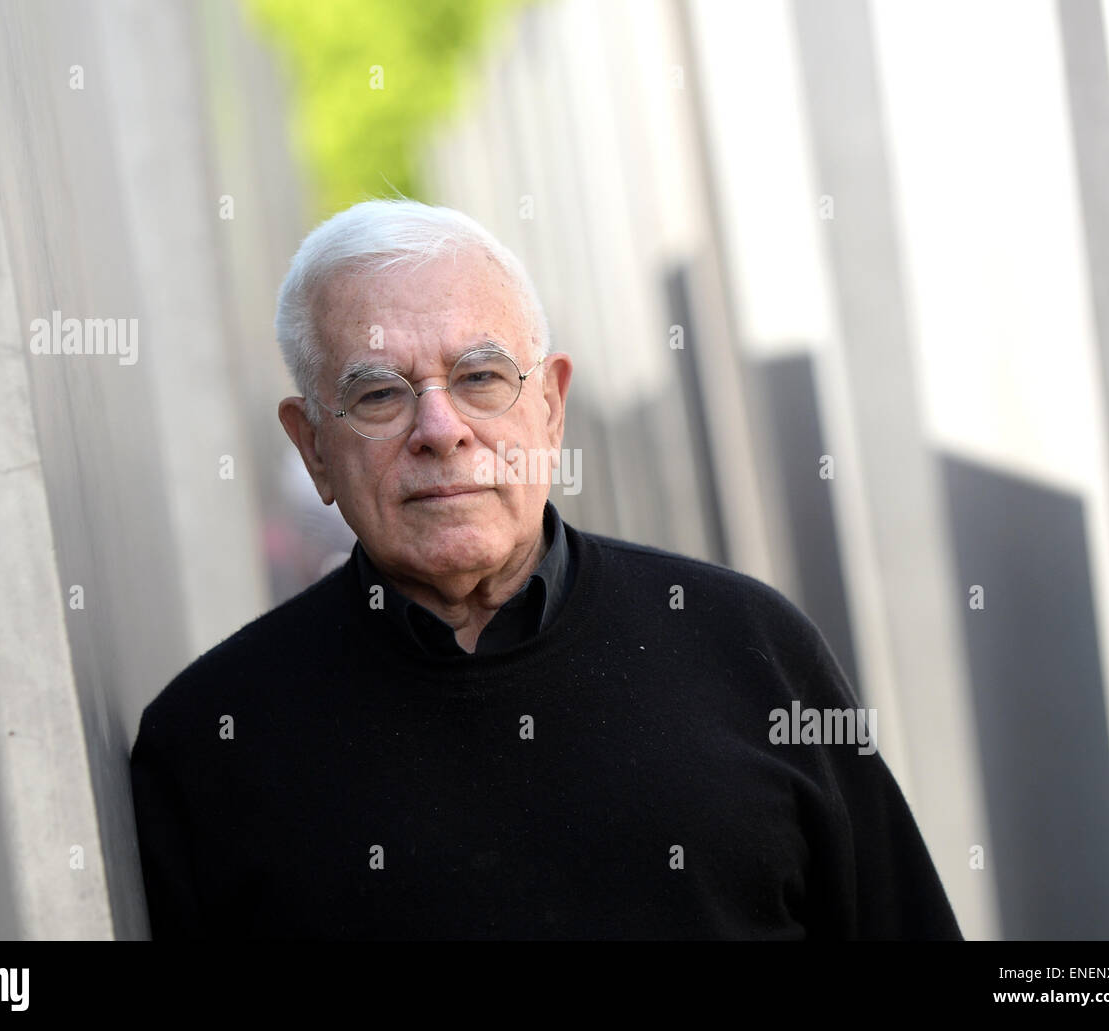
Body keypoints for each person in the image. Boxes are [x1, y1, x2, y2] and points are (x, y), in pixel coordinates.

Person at [130, 198, 963, 940]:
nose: (440, 428)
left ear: (551, 406)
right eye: (380, 394)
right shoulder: (211, 743)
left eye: (481, 377)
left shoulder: (749, 646)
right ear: (312, 445)